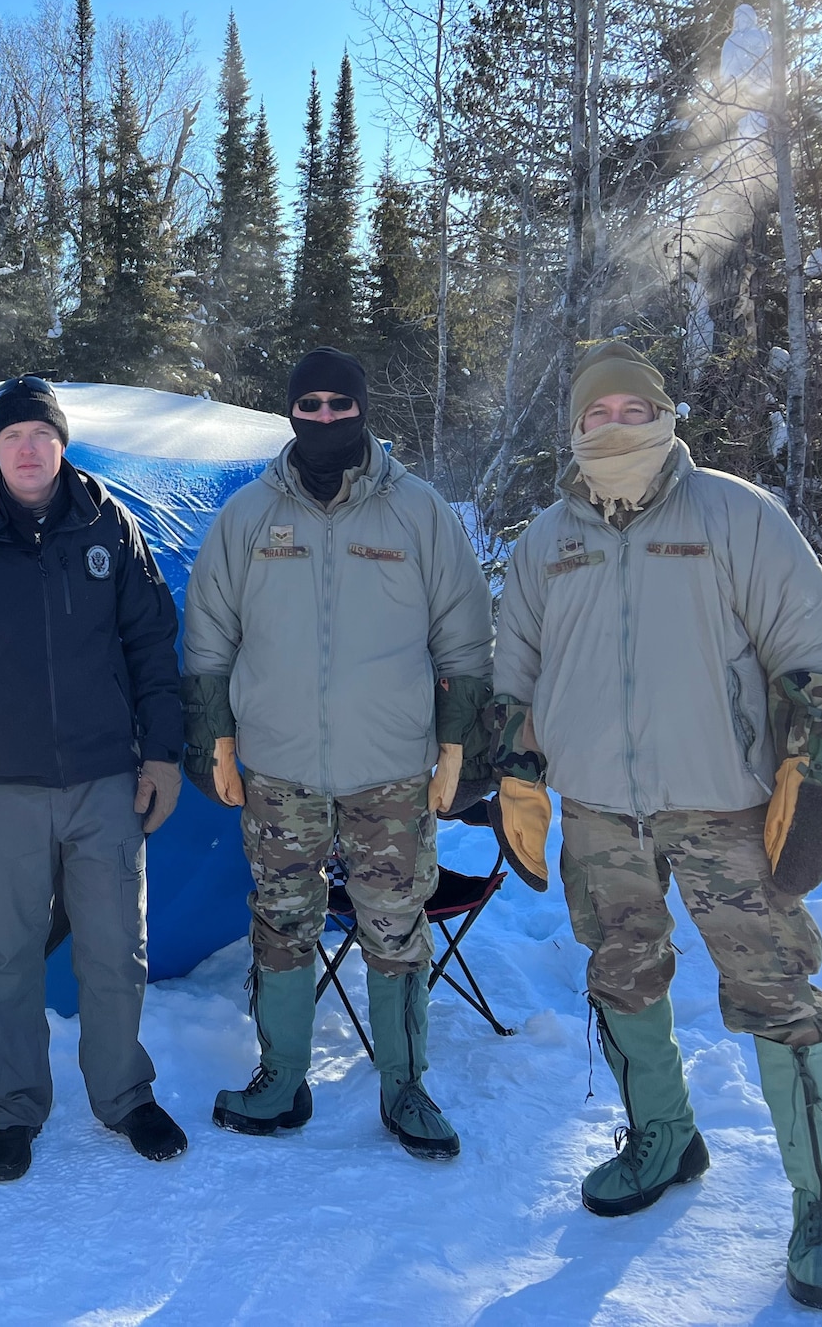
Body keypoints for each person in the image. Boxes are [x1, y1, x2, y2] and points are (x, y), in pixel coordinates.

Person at [493, 339, 822, 1311]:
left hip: (724, 801)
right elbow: (515, 668)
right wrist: (516, 766)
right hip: (597, 812)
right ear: (573, 430)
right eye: (594, 415)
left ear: (662, 418)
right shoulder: (546, 538)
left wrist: (818, 765)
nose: (612, 427)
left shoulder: (736, 514)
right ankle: (661, 1134)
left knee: (774, 987)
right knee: (619, 968)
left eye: (630, 410)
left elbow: (809, 649)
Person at [181, 346, 494, 1159]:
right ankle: (282, 1078)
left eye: (339, 405)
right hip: (279, 770)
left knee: (395, 925)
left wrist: (458, 744)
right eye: (309, 405)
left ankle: (405, 1086)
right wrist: (214, 735)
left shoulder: (418, 512)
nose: (324, 418)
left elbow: (464, 637)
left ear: (363, 411)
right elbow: (209, 636)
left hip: (390, 768)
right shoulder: (249, 517)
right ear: (292, 413)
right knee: (283, 921)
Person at [0, 376, 187, 1184]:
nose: (27, 450)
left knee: (113, 952)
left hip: (106, 782)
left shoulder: (110, 526)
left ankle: (125, 1096)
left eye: (41, 435)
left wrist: (162, 755)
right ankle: (16, 1108)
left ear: (62, 444)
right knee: (9, 958)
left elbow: (151, 649)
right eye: (11, 438)